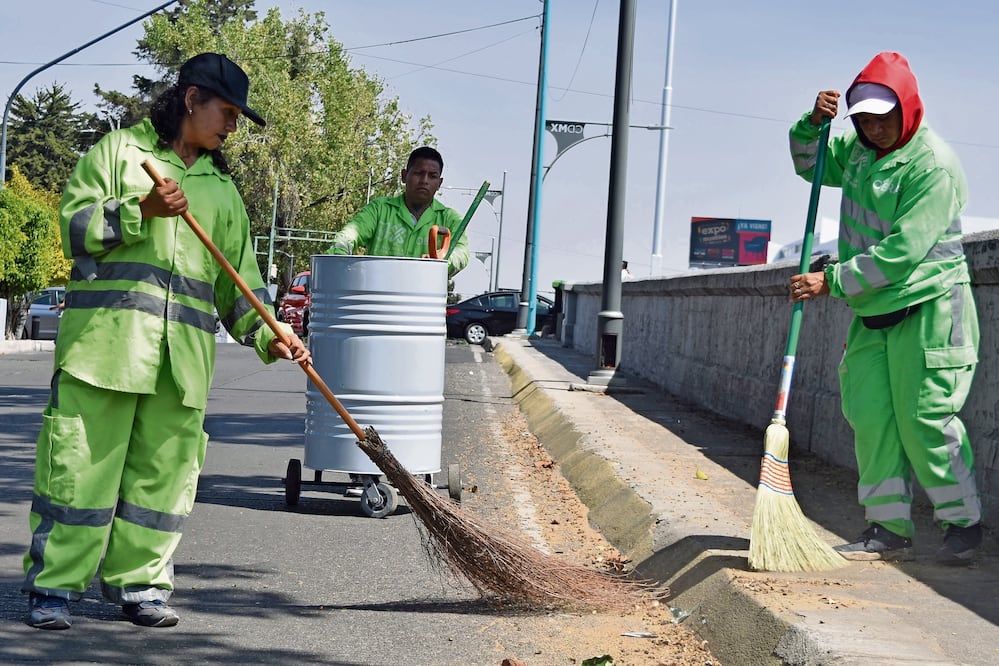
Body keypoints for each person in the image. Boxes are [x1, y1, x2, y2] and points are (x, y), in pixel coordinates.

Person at [22, 52, 311, 630]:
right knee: (80, 472)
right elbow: (73, 229)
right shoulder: (119, 154)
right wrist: (141, 210)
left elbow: (240, 288)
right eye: (227, 111)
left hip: (181, 367)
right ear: (191, 98)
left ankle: (141, 587)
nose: (232, 126)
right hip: (104, 352)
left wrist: (269, 333)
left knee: (161, 481)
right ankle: (53, 588)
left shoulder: (222, 192)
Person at [788, 51, 982, 565]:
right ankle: (887, 529)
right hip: (874, 311)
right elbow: (809, 165)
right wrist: (812, 125)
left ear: (909, 108)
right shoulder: (855, 149)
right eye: (864, 119)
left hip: (930, 307)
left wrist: (830, 281)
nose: (873, 128)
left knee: (927, 419)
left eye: (883, 117)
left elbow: (901, 253)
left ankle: (962, 525)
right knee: (871, 417)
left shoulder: (932, 166)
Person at [325, 146, 470, 276]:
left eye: (432, 176)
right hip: (377, 299)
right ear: (404, 176)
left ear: (439, 183)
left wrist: (443, 261)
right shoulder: (379, 209)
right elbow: (349, 235)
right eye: (419, 173)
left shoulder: (450, 219)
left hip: (424, 302)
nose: (424, 180)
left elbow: (462, 253)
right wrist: (339, 254)